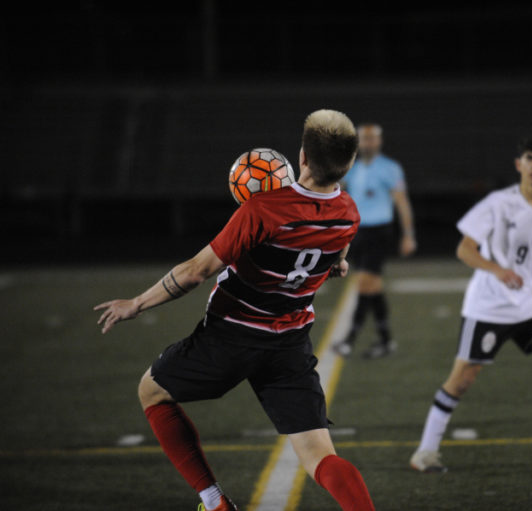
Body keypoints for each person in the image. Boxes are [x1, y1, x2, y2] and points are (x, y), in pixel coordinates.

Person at [94, 110, 376, 511]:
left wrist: (136, 303)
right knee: (319, 456)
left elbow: (195, 272)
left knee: (152, 392)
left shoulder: (263, 209)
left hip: (232, 336)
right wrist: (335, 264)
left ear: (303, 158)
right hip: (290, 344)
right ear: (346, 165)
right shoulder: (349, 213)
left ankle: (215, 502)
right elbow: (338, 257)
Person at [409, 131, 532, 473]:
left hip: (526, 305)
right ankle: (425, 452)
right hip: (487, 307)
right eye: (530, 159)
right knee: (462, 379)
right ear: (518, 164)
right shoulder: (498, 203)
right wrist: (498, 270)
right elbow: (464, 249)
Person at [332, 123, 416, 359]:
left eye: (371, 139)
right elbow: (337, 195)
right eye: (364, 139)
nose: (367, 142)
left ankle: (349, 340)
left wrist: (408, 235)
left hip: (379, 232)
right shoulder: (353, 168)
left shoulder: (390, 168)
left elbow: (402, 202)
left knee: (365, 284)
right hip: (357, 233)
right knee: (372, 287)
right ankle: (386, 341)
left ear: (378, 141)